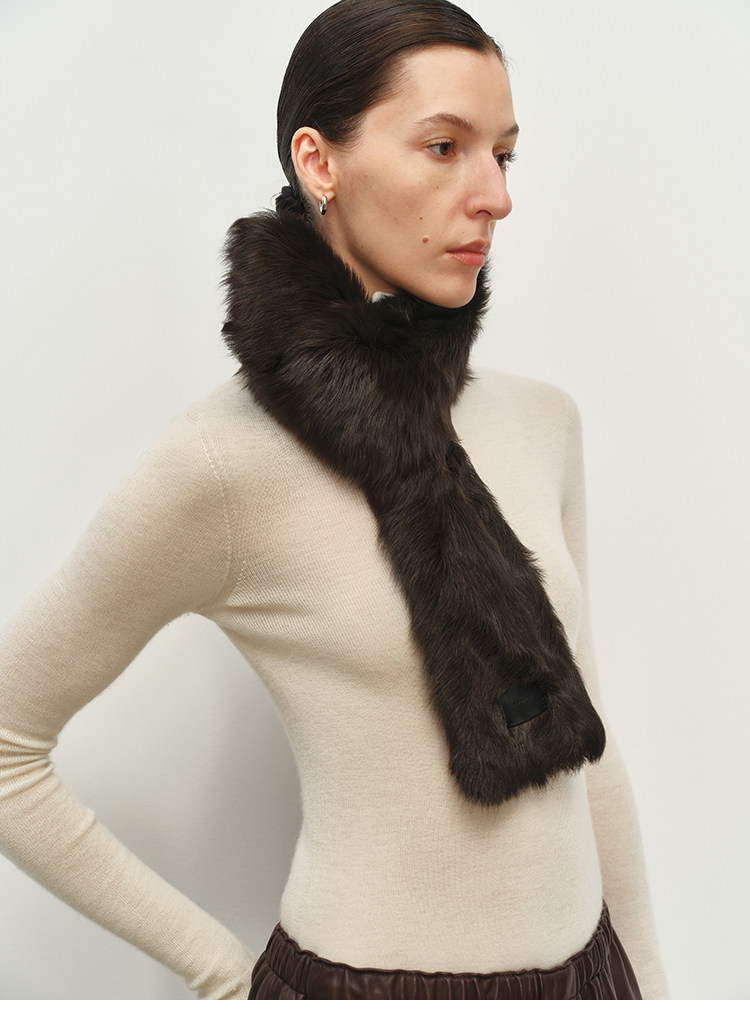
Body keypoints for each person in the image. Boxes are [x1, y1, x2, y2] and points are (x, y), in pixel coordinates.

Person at [0, 0, 668, 1000]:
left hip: (590, 979)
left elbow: (589, 752)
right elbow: (8, 745)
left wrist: (653, 991)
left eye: (503, 155)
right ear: (319, 163)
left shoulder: (541, 423)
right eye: (444, 147)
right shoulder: (222, 463)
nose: (495, 196)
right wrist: (224, 973)